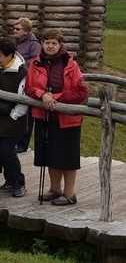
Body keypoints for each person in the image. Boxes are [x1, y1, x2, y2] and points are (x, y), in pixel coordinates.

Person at [24, 29, 88, 206]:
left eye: (54, 43)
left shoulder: (70, 64)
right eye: (47, 42)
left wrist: (56, 98)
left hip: (67, 118)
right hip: (45, 116)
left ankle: (70, 193)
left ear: (60, 45)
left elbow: (81, 92)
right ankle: (55, 189)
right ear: (42, 44)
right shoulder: (36, 63)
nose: (50, 46)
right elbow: (28, 88)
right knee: (50, 153)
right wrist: (42, 94)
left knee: (67, 156)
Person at [0, 37, 28, 197]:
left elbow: (23, 98)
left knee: (8, 151)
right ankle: (9, 180)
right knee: (0, 150)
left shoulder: (22, 72)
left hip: (13, 120)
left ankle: (19, 181)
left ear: (10, 55)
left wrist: (13, 116)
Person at [14, 17, 42, 153]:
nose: (15, 31)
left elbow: (36, 60)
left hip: (28, 80)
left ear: (26, 31)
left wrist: (19, 65)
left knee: (28, 113)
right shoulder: (14, 41)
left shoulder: (33, 44)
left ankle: (23, 143)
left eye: (18, 29)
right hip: (15, 79)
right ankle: (14, 139)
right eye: (14, 28)